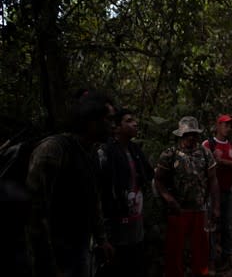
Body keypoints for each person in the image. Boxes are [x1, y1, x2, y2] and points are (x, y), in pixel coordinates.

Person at [26, 90, 115, 277]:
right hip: (54, 253)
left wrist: (101, 239)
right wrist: (47, 264)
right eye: (109, 120)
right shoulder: (53, 150)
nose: (113, 126)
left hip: (78, 248)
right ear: (91, 120)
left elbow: (93, 199)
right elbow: (34, 213)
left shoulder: (91, 153)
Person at [155, 116, 220, 277]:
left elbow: (213, 180)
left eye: (193, 133)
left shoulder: (205, 153)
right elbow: (158, 180)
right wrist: (168, 198)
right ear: (180, 135)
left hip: (200, 209)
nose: (191, 137)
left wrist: (216, 207)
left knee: (200, 249)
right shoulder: (169, 154)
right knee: (175, 250)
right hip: (178, 210)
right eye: (187, 134)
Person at [97, 108, 154, 277]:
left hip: (135, 221)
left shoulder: (135, 149)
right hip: (115, 224)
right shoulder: (105, 152)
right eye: (129, 120)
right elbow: (101, 190)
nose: (135, 123)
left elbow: (148, 174)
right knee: (116, 264)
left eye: (134, 120)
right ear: (116, 127)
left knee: (135, 262)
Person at [202, 114, 232, 271]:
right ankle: (211, 259)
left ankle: (227, 256)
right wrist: (226, 164)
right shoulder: (208, 144)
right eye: (225, 125)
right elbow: (202, 166)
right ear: (218, 125)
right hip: (211, 192)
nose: (228, 128)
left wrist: (222, 162)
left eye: (230, 125)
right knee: (211, 225)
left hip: (228, 190)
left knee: (227, 224)